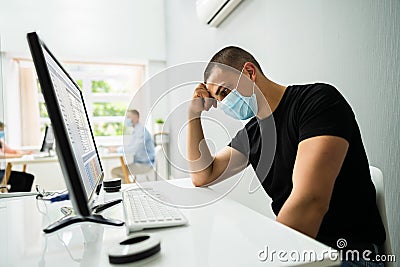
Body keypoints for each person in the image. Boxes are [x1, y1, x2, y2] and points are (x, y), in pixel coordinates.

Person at [187, 46, 385, 267]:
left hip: (348, 255)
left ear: (249, 73)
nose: (224, 104)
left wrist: (270, 259)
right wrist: (193, 115)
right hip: (300, 248)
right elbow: (203, 174)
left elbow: (309, 202)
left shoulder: (317, 103)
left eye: (224, 92)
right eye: (217, 99)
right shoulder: (252, 133)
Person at [111, 110, 155, 180]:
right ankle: (126, 188)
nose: (126, 120)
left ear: (136, 118)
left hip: (144, 165)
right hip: (141, 163)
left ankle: (125, 189)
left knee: (115, 171)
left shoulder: (141, 131)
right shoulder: (137, 130)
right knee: (120, 171)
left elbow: (134, 149)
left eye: (128, 117)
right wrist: (118, 148)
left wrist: (117, 150)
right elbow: (130, 146)